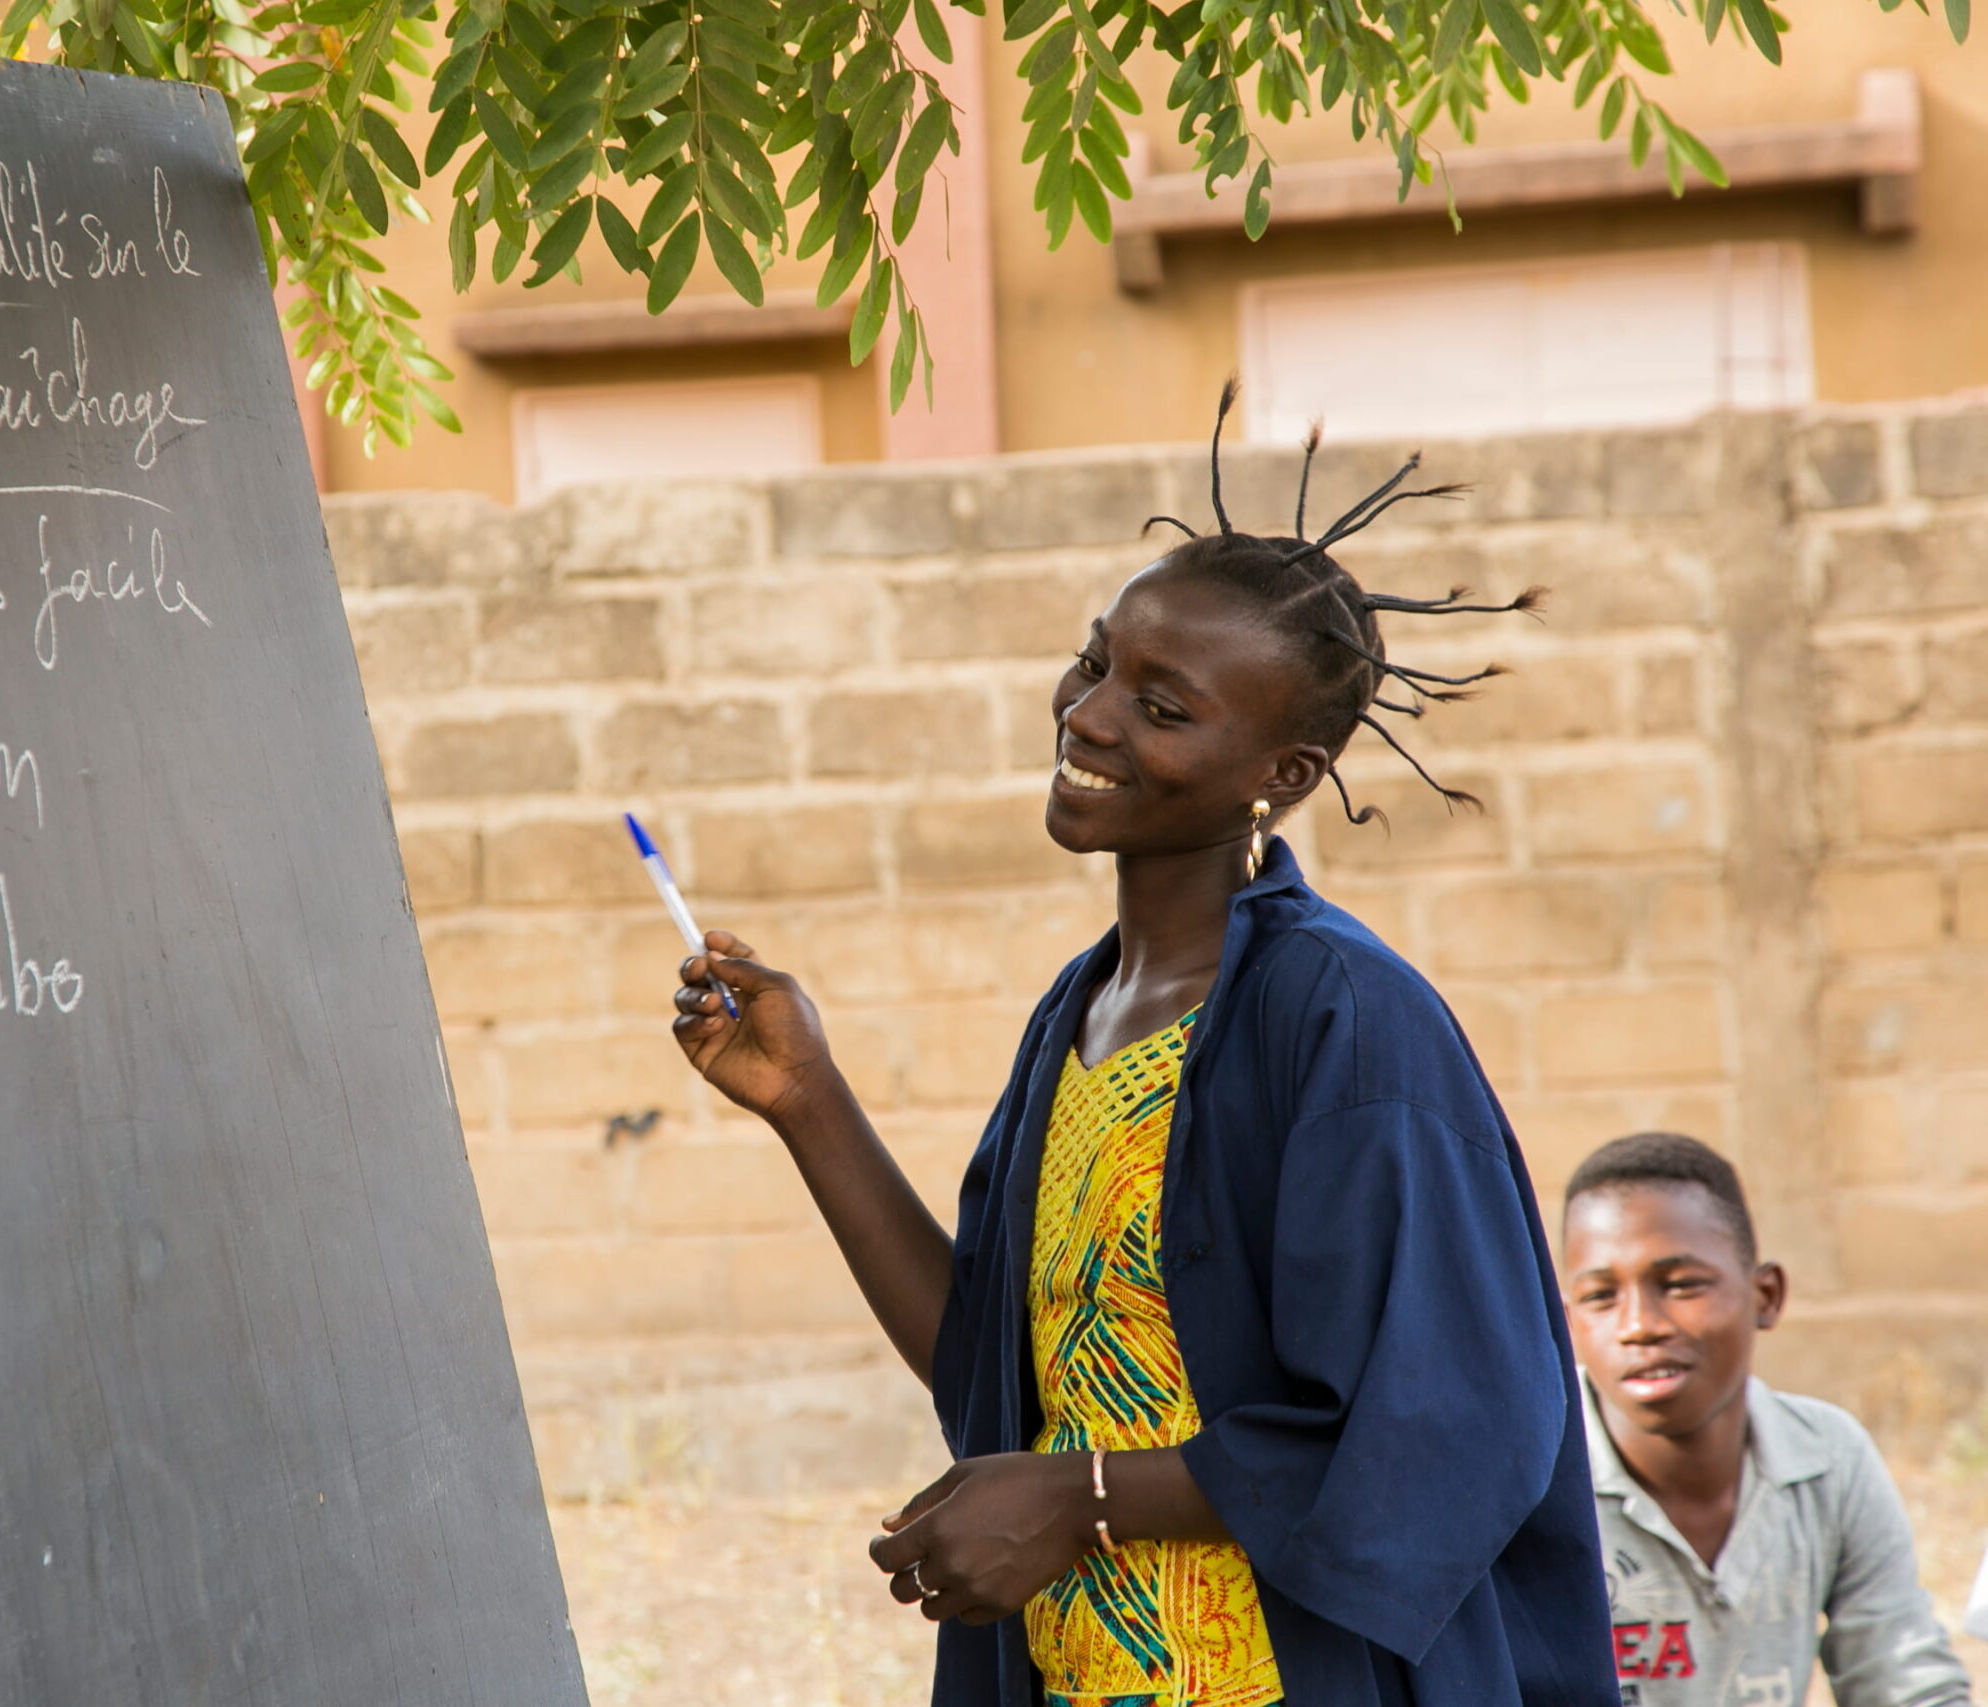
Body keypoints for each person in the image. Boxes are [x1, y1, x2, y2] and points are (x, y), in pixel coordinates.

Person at [666, 387, 1617, 1707]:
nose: (1091, 714)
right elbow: (997, 1372)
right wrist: (807, 1100)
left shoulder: (1344, 1021)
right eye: (1096, 659)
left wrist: (1085, 1496)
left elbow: (1452, 1421)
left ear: (1280, 775)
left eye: (1162, 708)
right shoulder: (1082, 1010)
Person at [1561, 1132, 1972, 1707]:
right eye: (1601, 1297)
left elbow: (1901, 1679)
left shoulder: (1826, 1458)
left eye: (1680, 1285)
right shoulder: (1535, 1479)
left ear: (1766, 1296)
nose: (1639, 1325)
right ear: (1566, 1324)